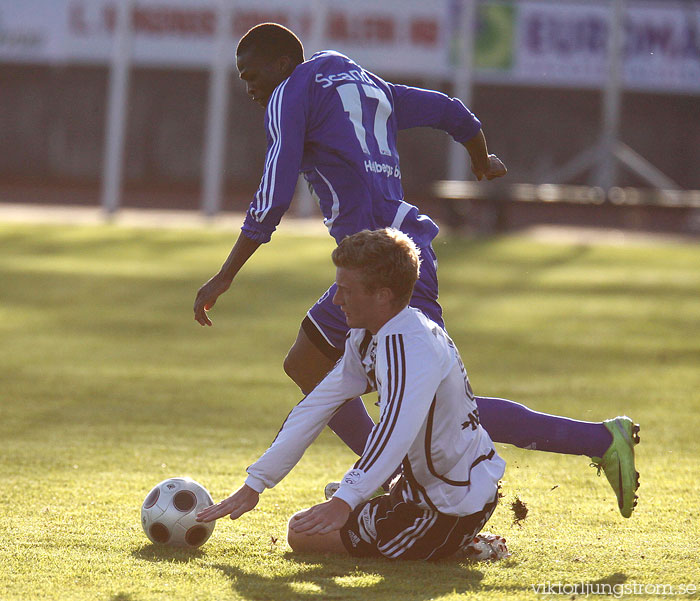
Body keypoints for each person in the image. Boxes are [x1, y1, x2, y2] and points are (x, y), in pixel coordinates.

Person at [193, 23, 640, 518]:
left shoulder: (289, 93)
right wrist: (481, 159)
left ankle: (600, 439)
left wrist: (226, 274)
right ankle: (384, 470)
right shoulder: (366, 84)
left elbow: (272, 195)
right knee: (306, 362)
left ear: (282, 65)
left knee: (441, 407)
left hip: (388, 269)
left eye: (252, 76)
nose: (250, 89)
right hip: (382, 256)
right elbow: (452, 112)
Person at [197, 228, 506, 560]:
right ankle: (391, 503)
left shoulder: (409, 348)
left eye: (345, 290)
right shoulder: (371, 335)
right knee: (305, 525)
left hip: (449, 503)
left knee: (302, 537)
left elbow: (394, 432)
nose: (336, 300)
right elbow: (317, 405)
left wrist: (346, 498)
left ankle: (462, 544)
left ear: (382, 295)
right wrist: (256, 482)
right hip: (429, 485)